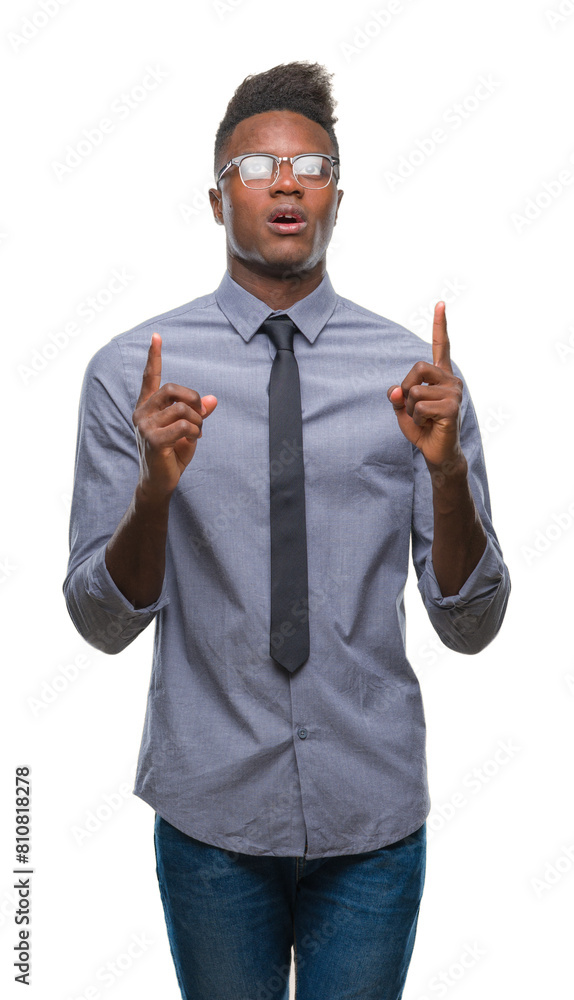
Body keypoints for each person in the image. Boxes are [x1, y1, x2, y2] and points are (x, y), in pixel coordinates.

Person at [63, 61, 510, 1000]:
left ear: (336, 194)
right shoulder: (132, 376)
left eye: (311, 162)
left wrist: (449, 469)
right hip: (210, 808)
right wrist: (154, 492)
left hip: (373, 810)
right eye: (258, 166)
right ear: (216, 195)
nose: (286, 180)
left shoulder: (415, 376)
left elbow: (471, 623)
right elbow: (100, 624)